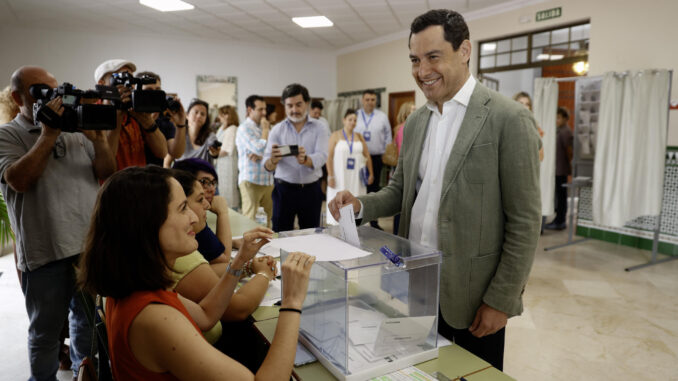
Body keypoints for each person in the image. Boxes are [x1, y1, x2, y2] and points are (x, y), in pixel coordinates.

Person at [329, 9, 541, 370]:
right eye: (414, 59)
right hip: (416, 285)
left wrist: (502, 300)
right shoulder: (416, 122)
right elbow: (400, 191)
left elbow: (524, 221)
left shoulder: (508, 119)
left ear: (464, 51)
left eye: (433, 57)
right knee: (422, 370)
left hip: (475, 296)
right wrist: (360, 203)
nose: (422, 70)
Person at [77, 166, 315, 380]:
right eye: (182, 209)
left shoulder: (137, 287)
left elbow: (206, 315)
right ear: (147, 225)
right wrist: (292, 302)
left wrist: (240, 260)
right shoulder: (155, 318)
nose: (193, 217)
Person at [0, 66, 116, 380]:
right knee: (45, 332)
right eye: (41, 90)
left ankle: (83, 372)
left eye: (55, 89)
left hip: (86, 249)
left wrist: (100, 140)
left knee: (88, 324)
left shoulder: (77, 129)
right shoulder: (7, 135)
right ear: (17, 97)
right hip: (44, 253)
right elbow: (19, 180)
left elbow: (106, 170)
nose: (53, 97)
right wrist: (48, 133)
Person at [171, 168, 276, 371]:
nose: (207, 205)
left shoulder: (166, 272)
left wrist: (245, 265)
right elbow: (237, 308)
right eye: (185, 206)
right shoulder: (178, 259)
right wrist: (265, 275)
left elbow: (207, 312)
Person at [263, 83, 329, 232]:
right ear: (284, 106)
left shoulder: (320, 128)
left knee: (311, 234)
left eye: (298, 105)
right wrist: (272, 161)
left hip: (311, 190)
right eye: (290, 106)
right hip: (283, 190)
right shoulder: (276, 130)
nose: (294, 110)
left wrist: (306, 160)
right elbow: (266, 165)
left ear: (307, 103)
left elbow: (323, 155)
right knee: (281, 233)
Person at [94, 59, 168, 170]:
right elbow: (107, 162)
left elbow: (162, 152)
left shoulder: (135, 109)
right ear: (101, 83)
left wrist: (147, 121)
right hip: (111, 184)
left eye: (130, 79)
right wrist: (118, 113)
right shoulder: (94, 112)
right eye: (120, 78)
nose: (127, 84)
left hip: (138, 182)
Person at [173, 158, 235, 264]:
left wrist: (232, 242)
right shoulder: (190, 221)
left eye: (213, 183)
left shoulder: (194, 217)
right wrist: (223, 213)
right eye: (204, 182)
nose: (212, 189)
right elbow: (223, 259)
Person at [326, 109, 373, 225]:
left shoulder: (359, 136)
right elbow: (329, 157)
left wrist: (371, 173)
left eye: (355, 120)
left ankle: (357, 225)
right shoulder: (335, 135)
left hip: (357, 176)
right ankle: (338, 225)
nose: (352, 122)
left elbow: (367, 156)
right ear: (344, 120)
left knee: (357, 198)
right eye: (350, 119)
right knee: (340, 201)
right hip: (340, 175)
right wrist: (330, 176)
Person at [354, 89, 391, 230]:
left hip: (376, 158)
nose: (370, 102)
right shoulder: (356, 115)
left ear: (376, 101)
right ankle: (358, 220)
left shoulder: (382, 116)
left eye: (373, 100)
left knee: (374, 190)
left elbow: (388, 136)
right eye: (367, 99)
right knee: (360, 188)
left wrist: (386, 153)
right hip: (359, 158)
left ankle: (374, 222)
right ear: (362, 100)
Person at [135, 71, 187, 167]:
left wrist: (181, 124)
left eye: (157, 90)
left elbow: (176, 153)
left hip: (156, 177)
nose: (154, 95)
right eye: (149, 90)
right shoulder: (131, 119)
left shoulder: (163, 121)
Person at [236, 95, 274, 225]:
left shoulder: (268, 128)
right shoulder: (244, 128)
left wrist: (262, 155)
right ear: (250, 110)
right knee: (250, 221)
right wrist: (265, 131)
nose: (264, 113)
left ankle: (268, 246)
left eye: (265, 109)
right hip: (251, 180)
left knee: (268, 221)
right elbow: (259, 148)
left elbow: (276, 150)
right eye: (260, 109)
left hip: (268, 180)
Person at [545, 107, 573, 230]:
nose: (557, 120)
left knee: (561, 196)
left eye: (559, 118)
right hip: (557, 169)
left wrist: (568, 164)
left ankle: (560, 221)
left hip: (561, 169)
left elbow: (569, 151)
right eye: (556, 117)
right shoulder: (559, 130)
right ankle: (558, 219)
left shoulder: (566, 131)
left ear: (565, 119)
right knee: (558, 195)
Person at [392, 101, 415, 234]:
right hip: (406, 169)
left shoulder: (400, 127)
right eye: (412, 109)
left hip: (402, 167)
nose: (415, 111)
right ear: (406, 112)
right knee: (403, 201)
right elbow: (405, 151)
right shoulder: (405, 127)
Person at [178, 98, 219, 164]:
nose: (199, 116)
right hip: (181, 174)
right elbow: (167, 162)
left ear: (206, 119)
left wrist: (214, 153)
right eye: (196, 112)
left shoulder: (210, 136)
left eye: (202, 114)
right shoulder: (179, 134)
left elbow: (213, 147)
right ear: (187, 115)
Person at [215, 105, 241, 210]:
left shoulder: (232, 129)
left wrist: (212, 152)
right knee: (222, 190)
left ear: (229, 115)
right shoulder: (222, 128)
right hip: (220, 164)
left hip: (228, 164)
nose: (220, 117)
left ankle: (231, 211)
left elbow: (226, 150)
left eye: (223, 114)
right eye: (221, 115)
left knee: (229, 192)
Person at [512, 91, 544, 161]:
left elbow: (541, 156)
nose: (524, 107)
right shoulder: (507, 123)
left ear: (530, 107)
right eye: (521, 103)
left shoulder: (534, 126)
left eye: (527, 104)